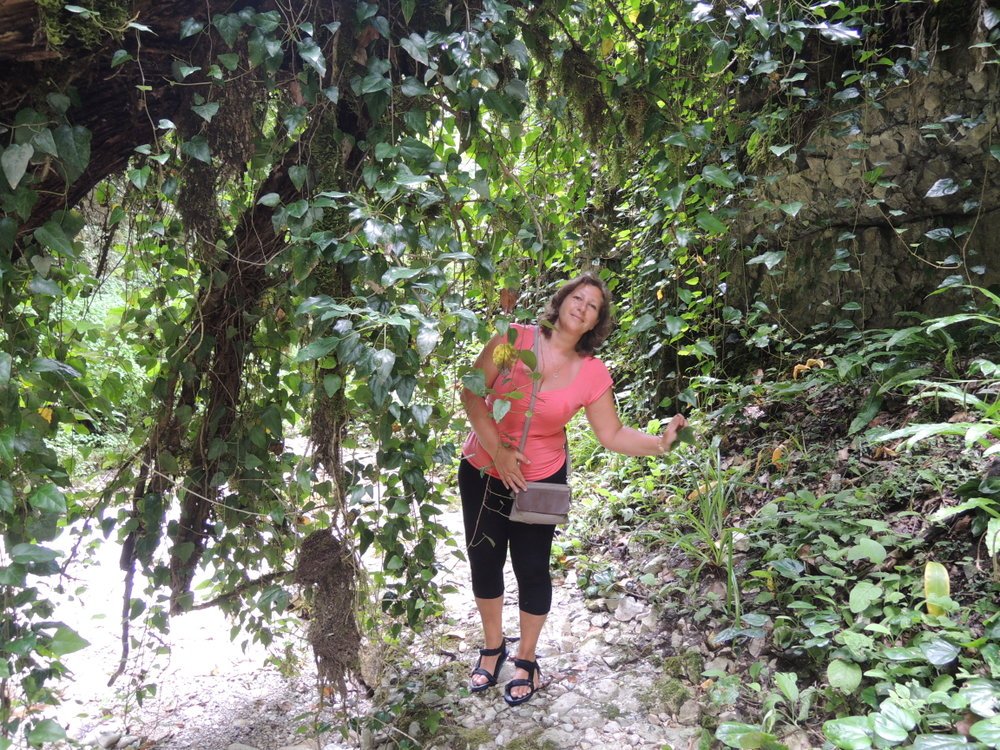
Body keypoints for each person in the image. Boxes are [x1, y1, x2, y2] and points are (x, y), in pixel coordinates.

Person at [458, 272, 688, 706]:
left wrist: (660, 444)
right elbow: (472, 393)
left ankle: (526, 660)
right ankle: (492, 647)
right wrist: (499, 452)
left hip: (540, 479)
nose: (582, 307)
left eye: (592, 306)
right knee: (484, 559)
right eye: (577, 298)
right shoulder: (512, 339)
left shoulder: (592, 373)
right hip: (483, 467)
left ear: (595, 323)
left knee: (531, 567)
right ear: (561, 301)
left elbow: (612, 433)